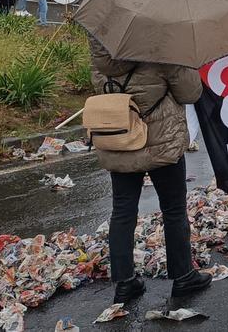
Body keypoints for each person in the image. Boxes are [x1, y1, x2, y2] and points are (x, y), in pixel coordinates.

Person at [89, 39, 210, 304]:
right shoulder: (162, 45)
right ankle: (183, 276)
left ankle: (125, 282)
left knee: (122, 211)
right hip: (162, 142)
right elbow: (190, 93)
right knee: (174, 209)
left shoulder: (102, 48)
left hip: (120, 139)